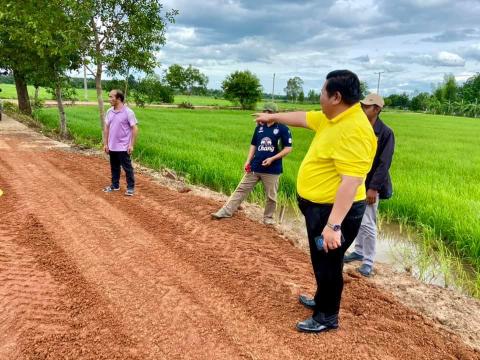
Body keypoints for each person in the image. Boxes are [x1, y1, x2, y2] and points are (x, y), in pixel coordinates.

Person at [255, 70, 376, 333]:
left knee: (329, 263)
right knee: (321, 260)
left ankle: (327, 316)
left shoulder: (354, 130)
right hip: (319, 209)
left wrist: (333, 226)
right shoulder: (334, 117)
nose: (318, 97)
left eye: (322, 92)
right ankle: (322, 300)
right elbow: (303, 117)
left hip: (334, 212)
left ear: (336, 96)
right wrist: (272, 116)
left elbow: (351, 181)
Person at [211, 103, 292, 225]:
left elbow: (288, 148)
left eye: (270, 112)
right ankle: (225, 211)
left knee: (271, 196)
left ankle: (268, 218)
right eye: (265, 111)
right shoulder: (259, 127)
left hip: (272, 169)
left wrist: (272, 159)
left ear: (275, 113)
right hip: (255, 166)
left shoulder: (283, 128)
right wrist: (248, 160)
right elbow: (254, 144)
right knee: (241, 189)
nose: (267, 114)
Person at [344, 93, 395, 277]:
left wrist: (373, 188)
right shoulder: (359, 128)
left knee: (368, 222)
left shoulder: (385, 133)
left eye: (367, 107)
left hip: (371, 184)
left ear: (377, 109)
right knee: (356, 218)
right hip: (355, 180)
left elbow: (384, 162)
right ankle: (358, 250)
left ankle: (368, 261)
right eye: (363, 105)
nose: (363, 109)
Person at [102, 89, 138, 196]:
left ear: (118, 98)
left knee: (127, 168)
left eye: (111, 97)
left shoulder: (128, 112)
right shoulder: (109, 111)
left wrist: (131, 145)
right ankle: (115, 185)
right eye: (109, 97)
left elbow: (135, 129)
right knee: (114, 167)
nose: (109, 99)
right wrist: (106, 144)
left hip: (123, 146)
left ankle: (130, 188)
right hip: (112, 146)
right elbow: (107, 128)